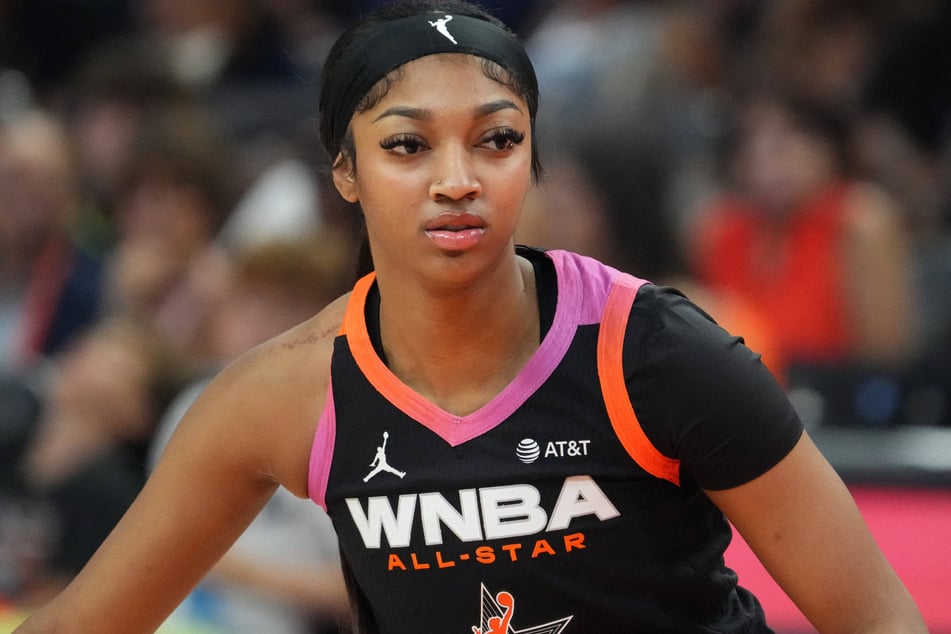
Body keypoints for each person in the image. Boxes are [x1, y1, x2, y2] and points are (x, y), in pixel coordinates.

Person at [14, 1, 928, 633]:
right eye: (407, 146)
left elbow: (875, 614)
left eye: (496, 139)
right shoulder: (284, 391)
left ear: (531, 162)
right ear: (346, 174)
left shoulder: (654, 352)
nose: (457, 180)